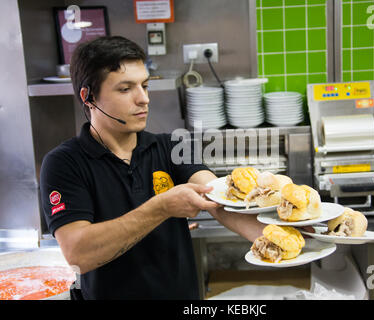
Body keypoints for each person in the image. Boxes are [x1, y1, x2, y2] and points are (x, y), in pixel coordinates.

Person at [39, 36, 266, 300]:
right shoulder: (64, 163)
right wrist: (161, 207)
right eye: (125, 89)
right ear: (88, 96)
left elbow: (217, 197)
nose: (144, 98)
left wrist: (289, 230)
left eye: (144, 86)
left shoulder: (171, 147)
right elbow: (78, 253)